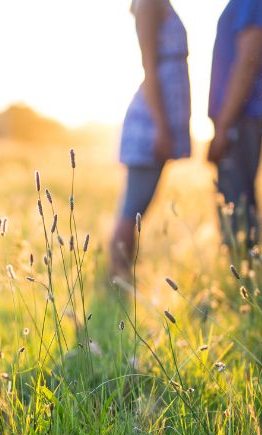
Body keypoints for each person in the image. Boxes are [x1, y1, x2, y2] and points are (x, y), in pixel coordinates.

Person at [112, 0, 192, 281]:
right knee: (133, 206)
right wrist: (162, 126)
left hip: (159, 121)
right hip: (151, 122)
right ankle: (117, 277)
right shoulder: (149, 4)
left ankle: (119, 276)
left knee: (137, 206)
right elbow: (149, 66)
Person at [207, 0, 262, 253]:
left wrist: (224, 126)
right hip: (236, 118)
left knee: (238, 205)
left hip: (240, 118)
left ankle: (245, 278)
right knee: (235, 202)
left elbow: (248, 59)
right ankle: (243, 273)